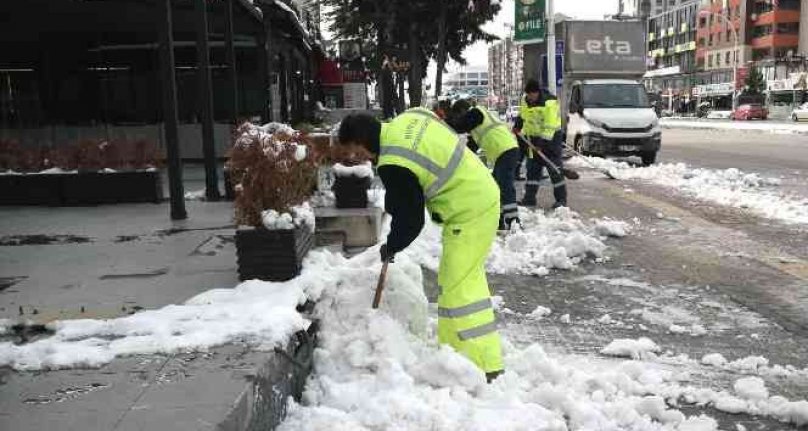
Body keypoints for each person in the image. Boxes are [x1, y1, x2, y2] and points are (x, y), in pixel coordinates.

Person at [338, 109, 505, 383]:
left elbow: (411, 219)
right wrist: (396, 203)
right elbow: (407, 189)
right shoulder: (407, 119)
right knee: (460, 282)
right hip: (478, 190)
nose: (359, 158)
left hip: (470, 208)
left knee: (459, 288)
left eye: (356, 151)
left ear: (362, 139)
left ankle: (482, 364)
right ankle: (455, 353)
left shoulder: (394, 162)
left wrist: (392, 246)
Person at [446, 99, 521, 230]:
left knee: (505, 186)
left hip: (505, 151)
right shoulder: (477, 124)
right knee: (495, 187)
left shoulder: (476, 113)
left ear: (463, 111)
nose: (458, 118)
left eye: (458, 115)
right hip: (504, 152)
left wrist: (444, 123)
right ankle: (499, 220)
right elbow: (471, 147)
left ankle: (513, 220)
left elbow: (459, 126)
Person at [513, 79, 567, 208]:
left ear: (538, 92)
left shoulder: (550, 102)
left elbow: (550, 126)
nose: (530, 98)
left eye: (532, 95)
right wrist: (517, 126)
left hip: (551, 140)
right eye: (528, 95)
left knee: (554, 171)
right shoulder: (525, 100)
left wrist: (541, 144)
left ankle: (561, 200)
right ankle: (529, 199)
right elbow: (523, 115)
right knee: (532, 171)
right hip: (531, 140)